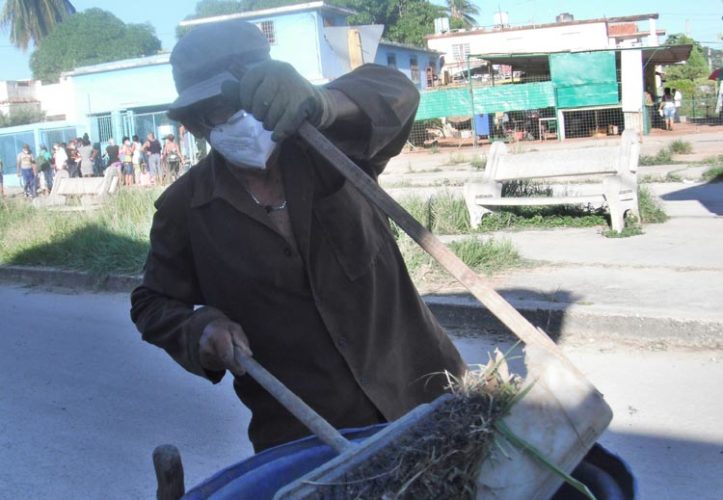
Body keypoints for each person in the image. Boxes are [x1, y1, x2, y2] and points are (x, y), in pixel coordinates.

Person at [130, 20, 465, 453]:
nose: (245, 118)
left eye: (254, 99)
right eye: (222, 109)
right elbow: (151, 303)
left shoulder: (333, 148)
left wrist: (324, 102)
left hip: (430, 400)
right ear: (197, 125)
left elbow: (397, 92)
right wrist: (201, 329)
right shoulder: (184, 209)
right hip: (307, 442)